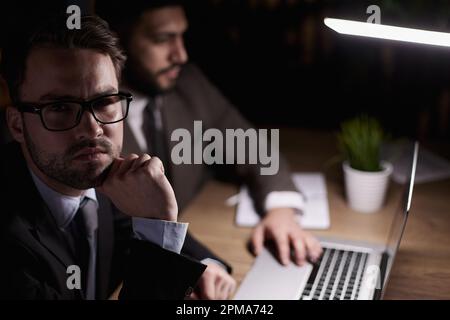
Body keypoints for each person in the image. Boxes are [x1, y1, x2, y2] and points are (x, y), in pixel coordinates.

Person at [97, 0, 323, 299]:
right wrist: (195, 265)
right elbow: (127, 229)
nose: (181, 54)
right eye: (163, 39)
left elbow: (251, 145)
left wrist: (281, 209)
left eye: (182, 36)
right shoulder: (91, 128)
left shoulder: (188, 83)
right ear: (115, 41)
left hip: (203, 239)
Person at [0, 14, 206, 300]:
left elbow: (127, 225)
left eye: (105, 101)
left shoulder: (100, 180)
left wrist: (207, 267)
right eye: (60, 107)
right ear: (17, 125)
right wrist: (159, 229)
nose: (92, 129)